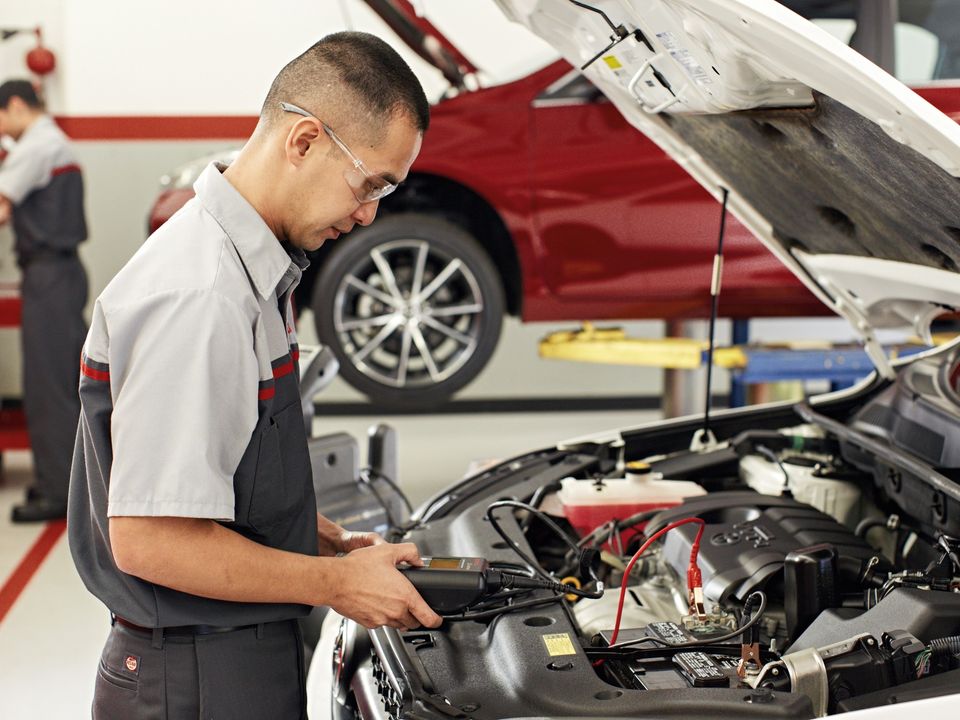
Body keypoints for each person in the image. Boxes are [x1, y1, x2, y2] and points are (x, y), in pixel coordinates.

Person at [68, 32, 442, 718]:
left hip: (226, 655)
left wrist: (328, 541)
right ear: (304, 141)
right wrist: (336, 584)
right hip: (195, 678)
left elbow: (223, 473)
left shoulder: (252, 270)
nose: (369, 214)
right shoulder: (201, 295)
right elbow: (152, 539)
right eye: (369, 185)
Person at [0, 79, 88, 523]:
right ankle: (63, 481)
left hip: (49, 276)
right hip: (61, 274)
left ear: (16, 105)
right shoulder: (53, 142)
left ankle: (58, 493)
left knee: (47, 388)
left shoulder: (36, 146)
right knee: (60, 382)